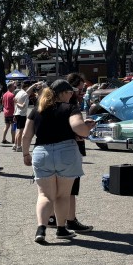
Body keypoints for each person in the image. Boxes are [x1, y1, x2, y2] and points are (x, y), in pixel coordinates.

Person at [21, 79, 95, 244]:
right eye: (70, 92)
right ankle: (61, 229)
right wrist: (87, 127)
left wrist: (26, 154)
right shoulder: (70, 108)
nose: (72, 95)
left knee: (44, 195)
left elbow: (26, 135)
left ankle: (41, 229)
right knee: (63, 195)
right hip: (66, 152)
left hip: (42, 152)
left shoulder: (37, 109)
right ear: (63, 93)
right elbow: (79, 128)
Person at [13, 80, 31, 152]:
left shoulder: (18, 93)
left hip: (17, 113)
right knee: (21, 131)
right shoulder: (25, 94)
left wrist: (14, 114)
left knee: (18, 130)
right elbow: (23, 106)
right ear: (27, 86)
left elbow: (15, 104)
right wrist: (17, 103)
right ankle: (19, 146)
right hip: (21, 114)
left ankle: (15, 144)